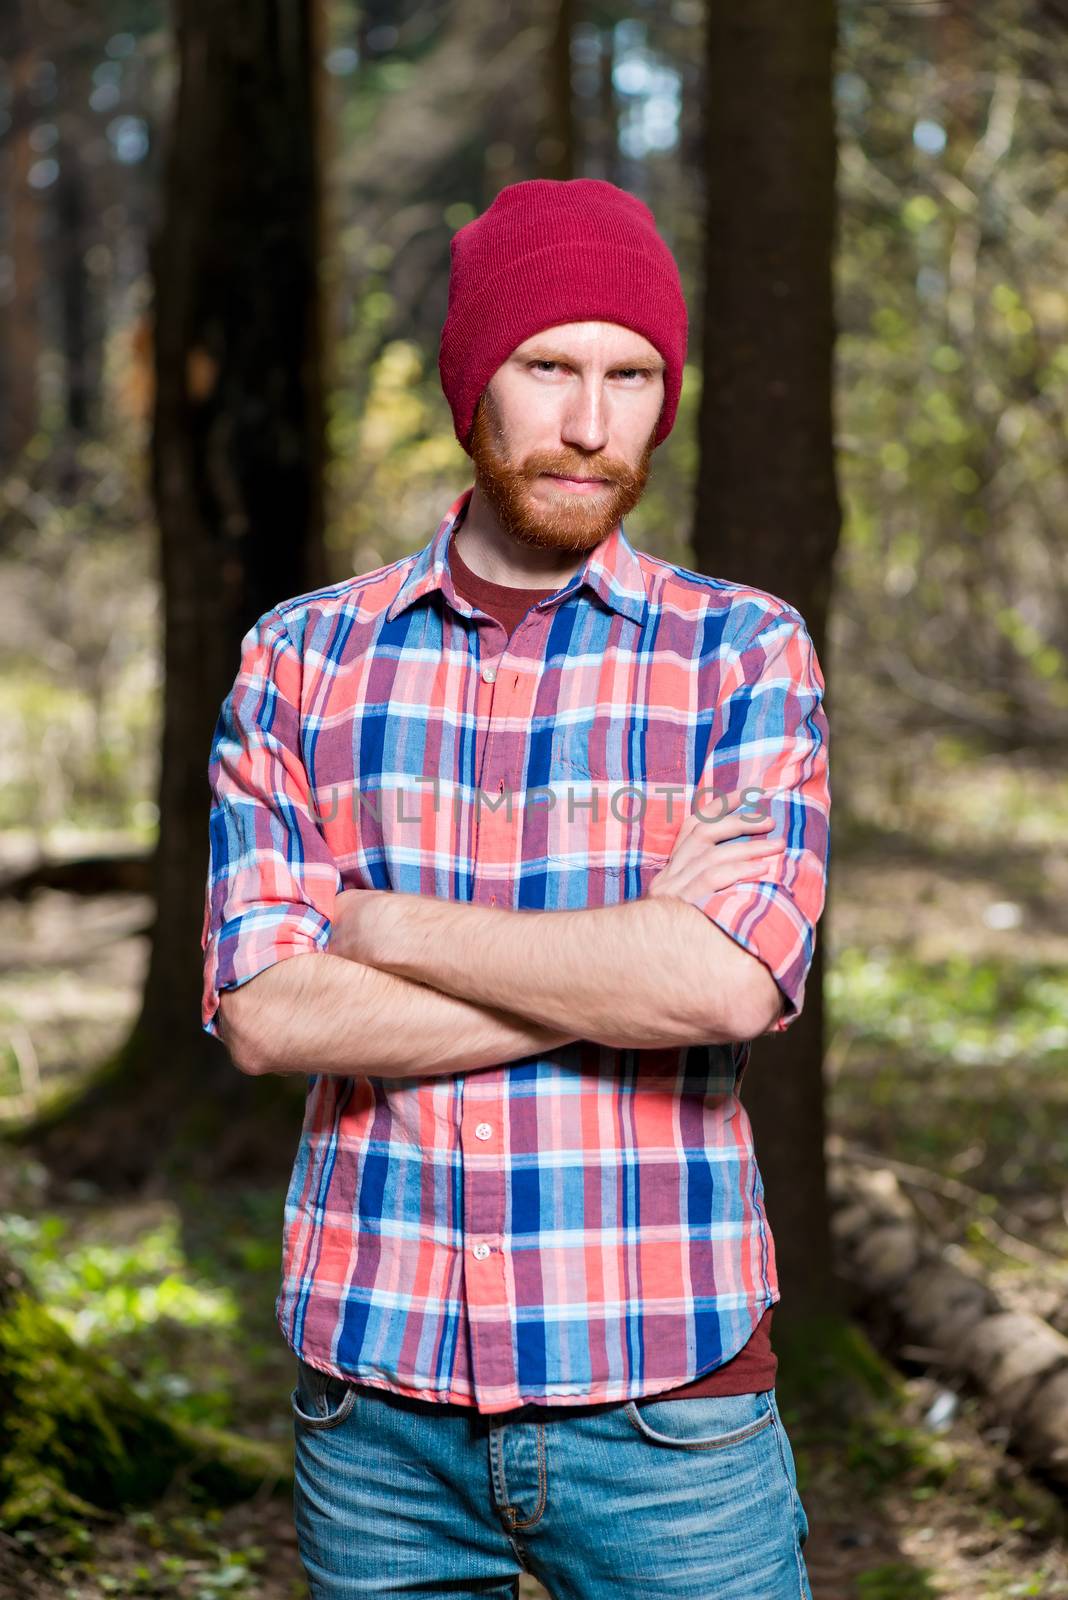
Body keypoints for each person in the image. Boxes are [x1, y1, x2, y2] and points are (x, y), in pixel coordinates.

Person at [201, 177, 829, 1599]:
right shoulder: (301, 659)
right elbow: (263, 1016)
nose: (594, 424)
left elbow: (730, 983)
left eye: (634, 376)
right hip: (377, 1406)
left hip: (672, 1401)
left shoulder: (741, 654)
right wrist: (624, 974)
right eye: (550, 368)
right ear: (473, 385)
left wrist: (382, 927)